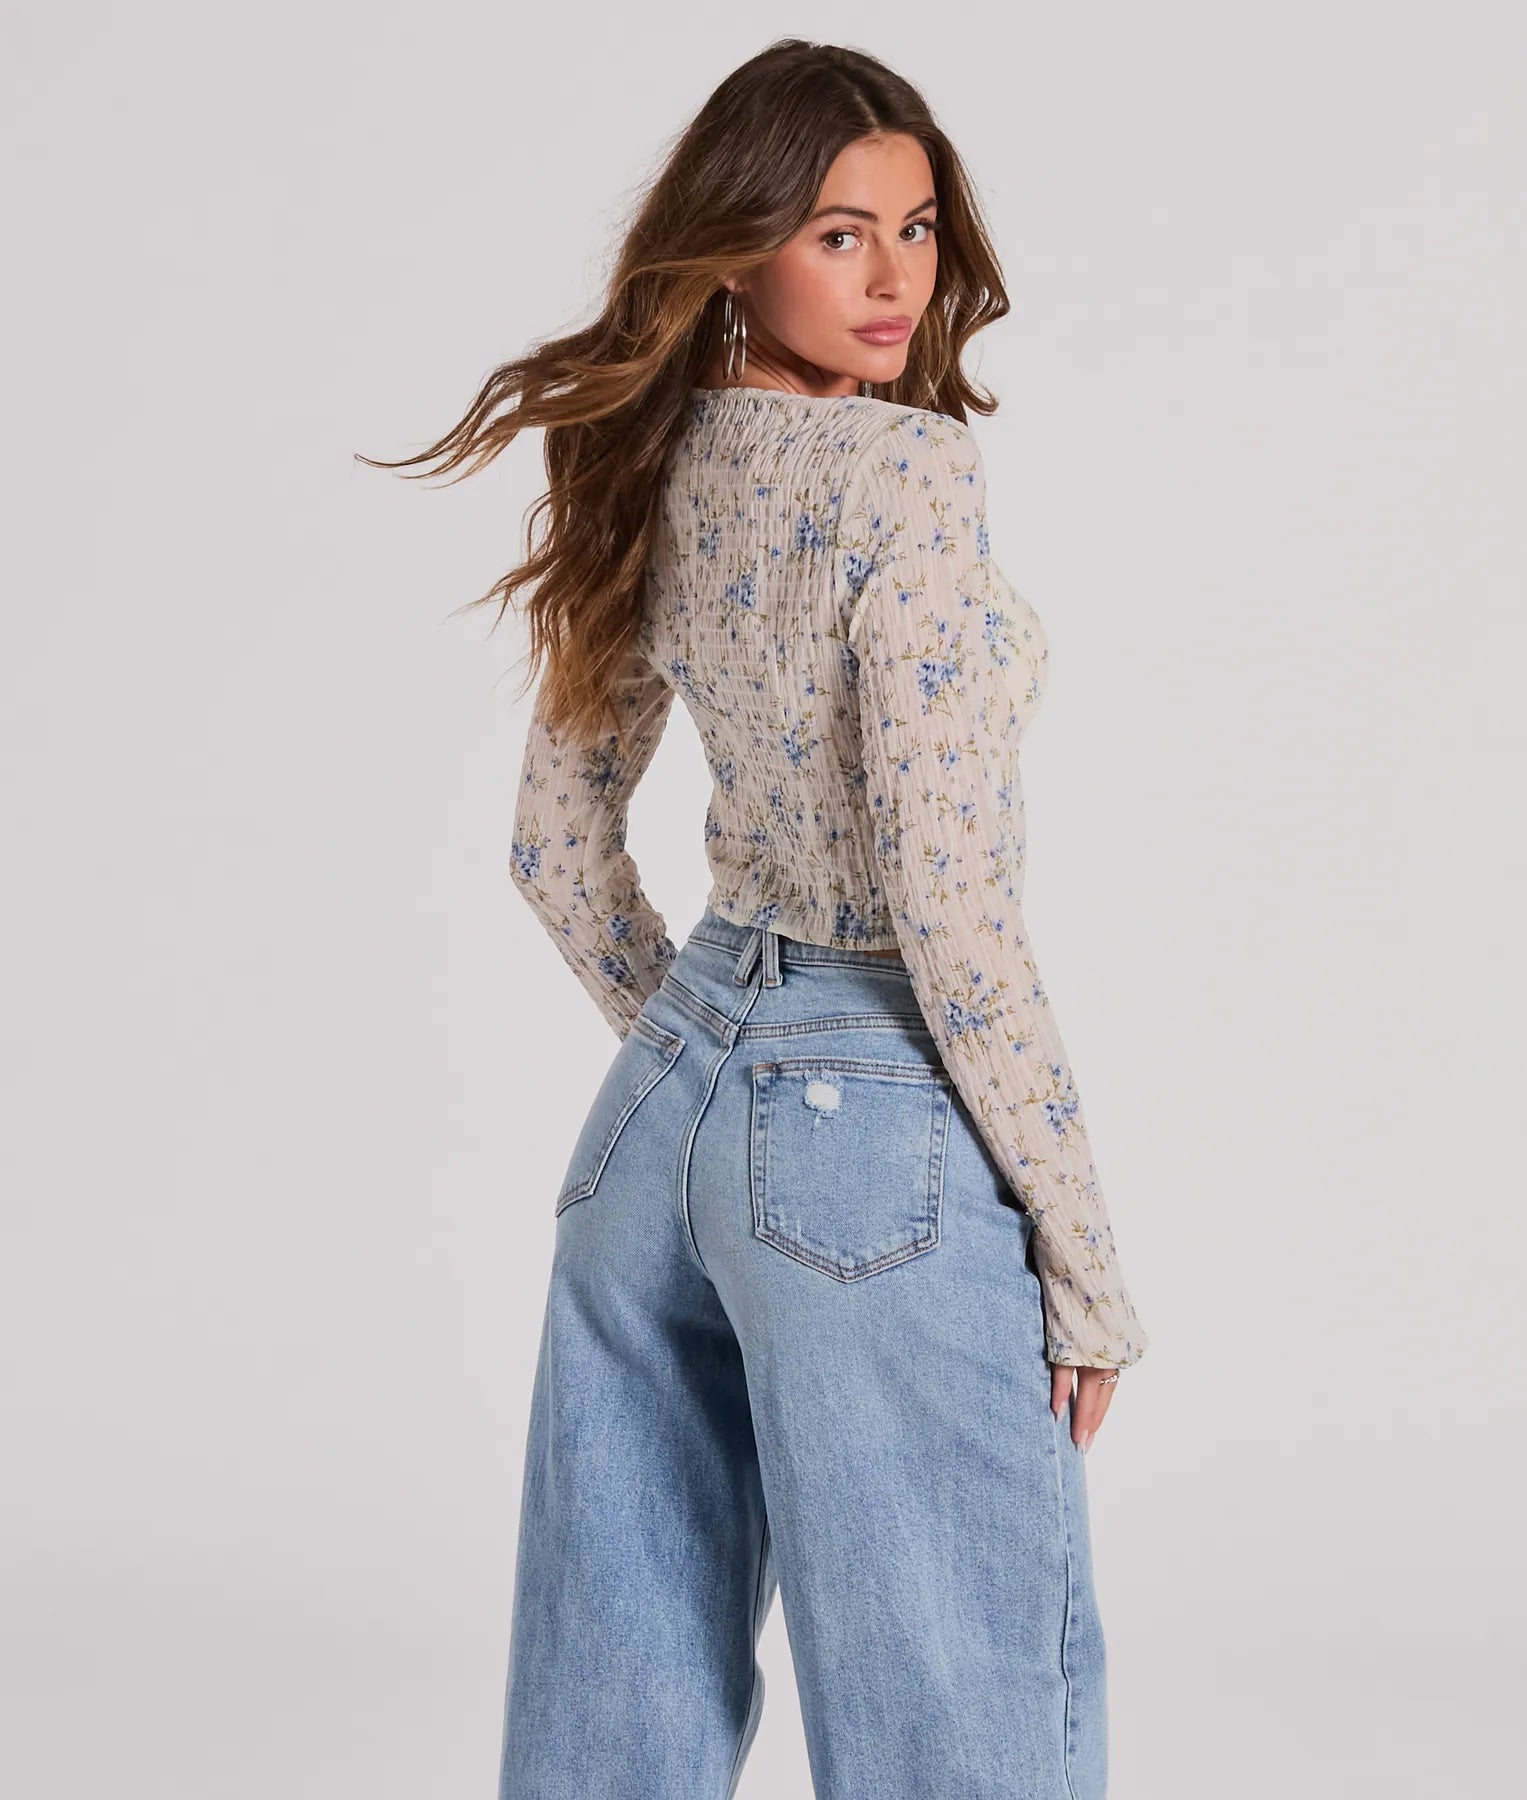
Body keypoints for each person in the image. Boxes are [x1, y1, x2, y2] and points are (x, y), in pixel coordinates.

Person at [363, 36, 1150, 1800]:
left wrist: (709, 1050)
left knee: (612, 1703)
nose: (892, 279)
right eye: (835, 233)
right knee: (958, 1705)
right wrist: (1084, 1261)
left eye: (915, 229)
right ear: (733, 252)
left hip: (659, 1119)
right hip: (868, 1127)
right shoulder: (903, 479)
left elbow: (554, 848)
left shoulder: (652, 463)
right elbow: (951, 910)